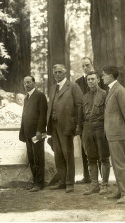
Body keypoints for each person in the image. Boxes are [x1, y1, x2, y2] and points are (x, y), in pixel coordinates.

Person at [47, 64, 83, 193]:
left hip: (67, 125)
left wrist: (78, 124)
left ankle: (69, 183)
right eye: (55, 72)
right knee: (58, 154)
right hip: (54, 126)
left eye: (60, 72)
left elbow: (80, 106)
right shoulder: (52, 89)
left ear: (65, 73)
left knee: (67, 154)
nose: (57, 74)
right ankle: (62, 181)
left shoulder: (73, 86)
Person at [102, 66, 125, 204]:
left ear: (110, 75)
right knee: (115, 164)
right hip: (112, 133)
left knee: (120, 164)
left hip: (118, 133)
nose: (102, 77)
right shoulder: (112, 89)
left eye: (103, 75)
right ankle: (120, 191)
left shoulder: (120, 90)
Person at [78, 71, 110, 195]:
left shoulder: (104, 94)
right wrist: (80, 129)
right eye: (88, 80)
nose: (90, 81)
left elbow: (108, 113)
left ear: (97, 80)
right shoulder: (84, 96)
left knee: (104, 157)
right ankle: (94, 185)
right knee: (90, 157)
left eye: (93, 79)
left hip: (100, 128)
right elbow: (80, 115)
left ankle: (105, 185)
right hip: (87, 128)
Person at [19, 76, 47, 192]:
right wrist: (22, 132)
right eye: (25, 83)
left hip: (37, 133)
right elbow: (24, 116)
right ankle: (35, 181)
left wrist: (40, 130)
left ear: (34, 83)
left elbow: (43, 114)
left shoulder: (40, 95)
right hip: (27, 133)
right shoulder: (26, 98)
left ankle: (39, 183)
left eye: (29, 82)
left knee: (38, 158)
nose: (27, 85)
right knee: (31, 158)